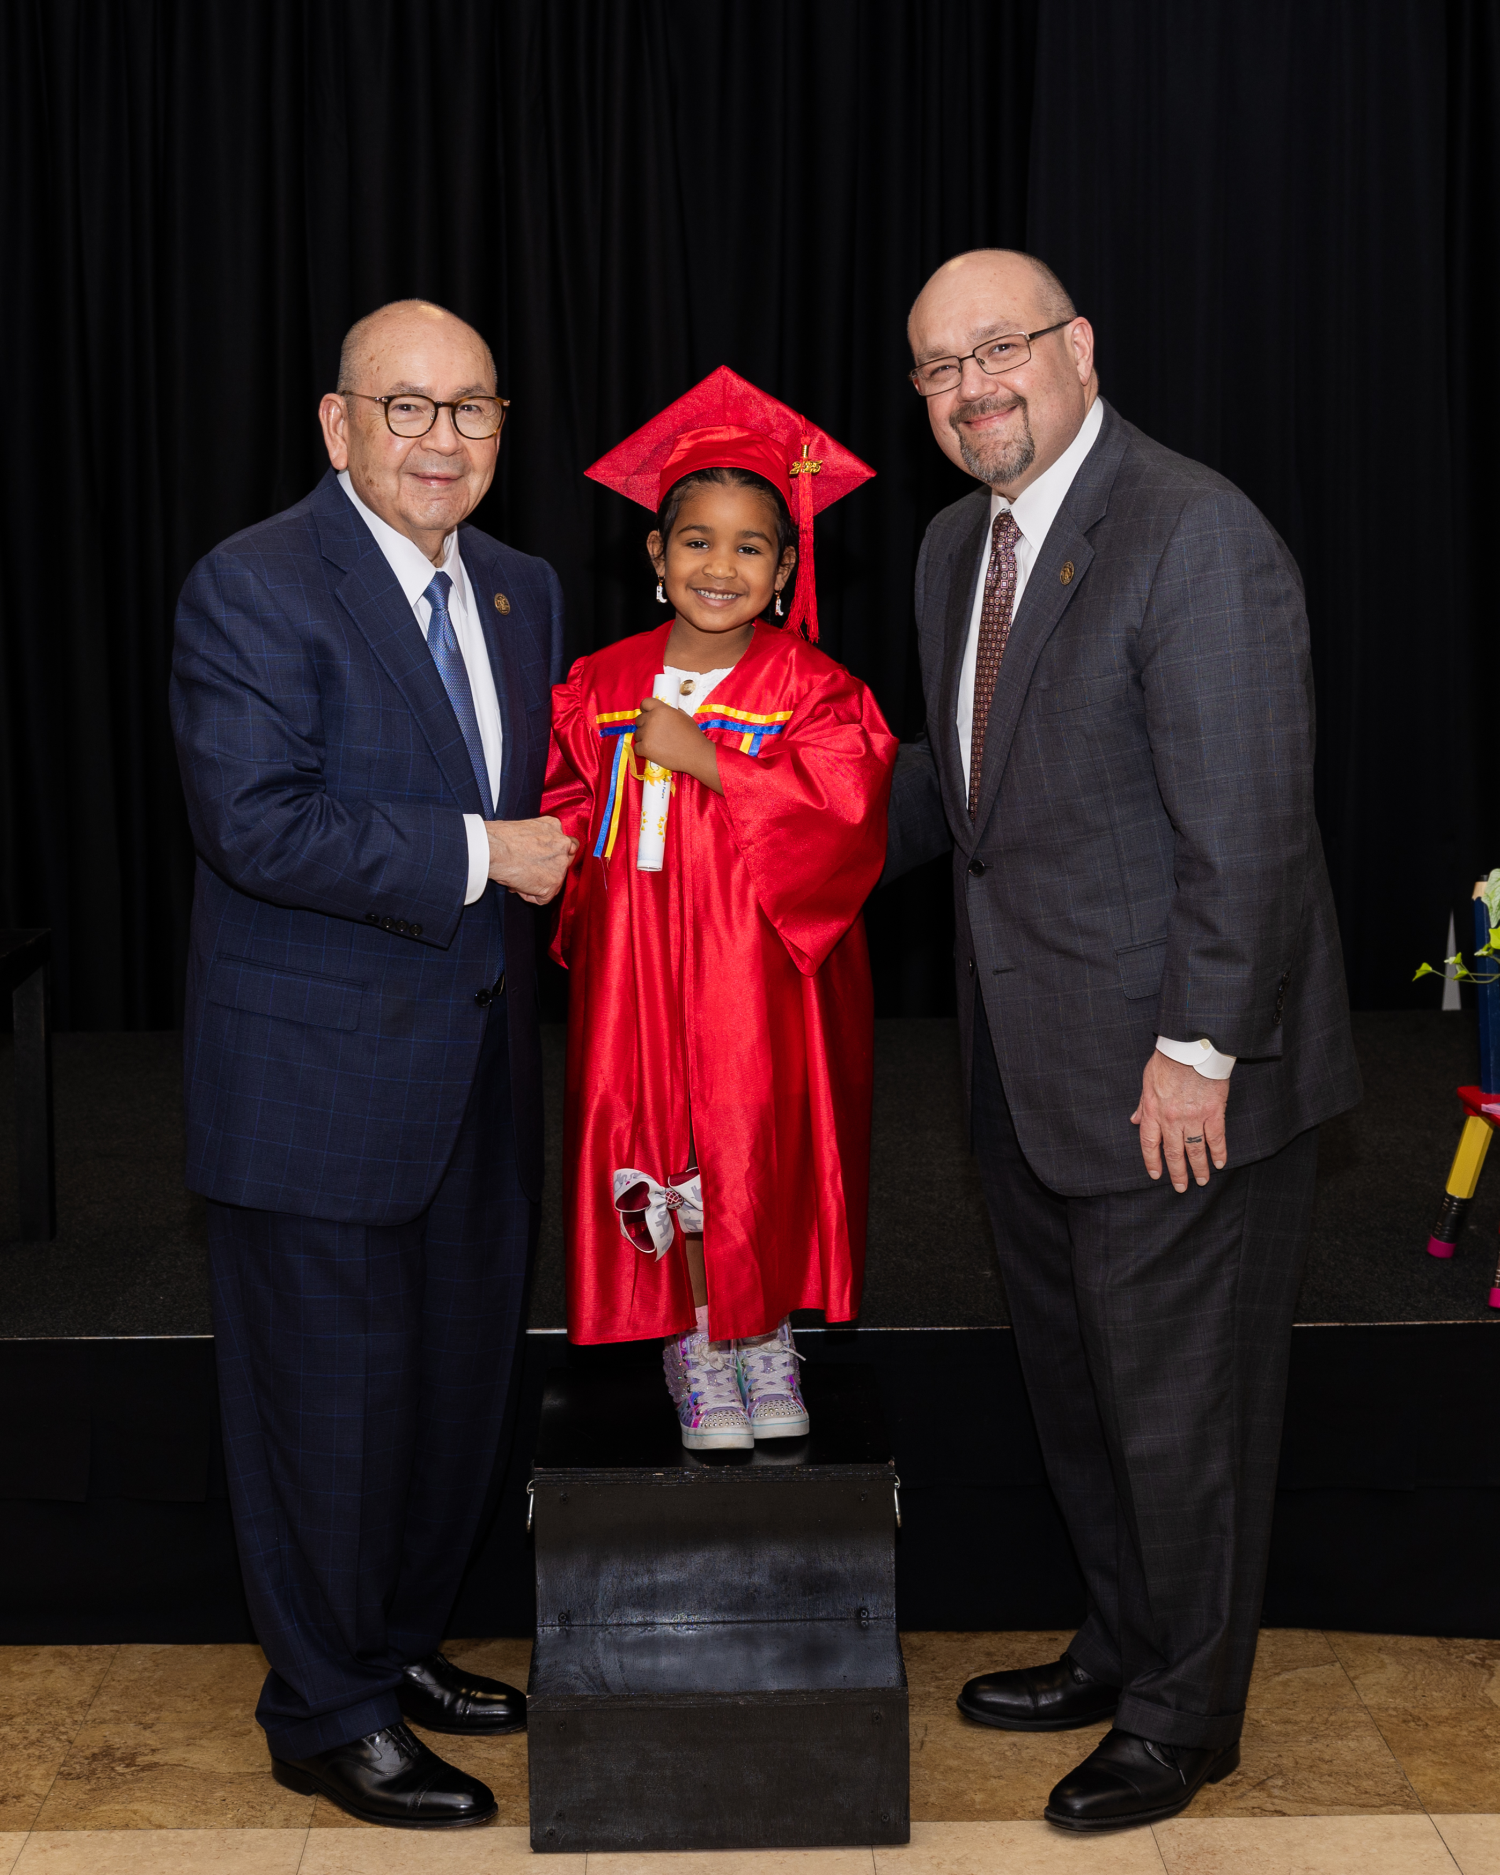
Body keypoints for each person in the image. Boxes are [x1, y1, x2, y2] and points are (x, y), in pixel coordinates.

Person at [884, 251, 1361, 1832]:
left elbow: (1251, 821)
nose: (972, 389)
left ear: (1078, 347)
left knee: (1183, 1413)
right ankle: (1123, 1637)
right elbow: (965, 791)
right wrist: (756, 811)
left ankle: (1183, 1713)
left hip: (1175, 1078)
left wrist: (1200, 1045)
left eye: (998, 348)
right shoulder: (956, 545)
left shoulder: (1191, 529)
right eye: (938, 367)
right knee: (1087, 1394)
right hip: (1028, 1067)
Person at [170, 299, 577, 1830]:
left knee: (451, 1404)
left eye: (471, 407)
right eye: (406, 407)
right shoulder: (254, 583)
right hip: (315, 1089)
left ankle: (397, 1647)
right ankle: (325, 1708)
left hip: (481, 1082)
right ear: (338, 425)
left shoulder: (525, 588)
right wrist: (484, 851)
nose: (442, 438)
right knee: (327, 1417)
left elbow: (562, 802)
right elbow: (255, 821)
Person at [543, 368, 897, 1448]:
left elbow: (847, 815)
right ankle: (699, 1337)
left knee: (755, 1137)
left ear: (786, 568)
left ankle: (765, 1332)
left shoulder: (813, 689)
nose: (720, 566)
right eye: (696, 541)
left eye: (751, 548)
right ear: (655, 554)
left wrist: (707, 761)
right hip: (639, 969)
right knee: (664, 1145)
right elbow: (564, 814)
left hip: (761, 973)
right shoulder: (599, 684)